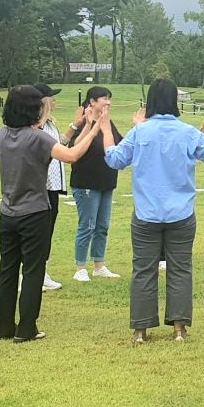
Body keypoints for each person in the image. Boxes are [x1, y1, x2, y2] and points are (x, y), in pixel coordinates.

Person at [103, 79, 204, 343]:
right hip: (181, 213)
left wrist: (105, 129)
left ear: (150, 102)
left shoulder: (140, 132)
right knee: (181, 269)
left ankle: (140, 330)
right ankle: (179, 328)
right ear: (175, 101)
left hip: (146, 213)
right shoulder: (187, 132)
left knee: (143, 270)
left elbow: (115, 159)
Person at [0, 85, 104, 343]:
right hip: (35, 212)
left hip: (8, 213)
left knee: (7, 270)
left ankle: (3, 327)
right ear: (34, 108)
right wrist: (95, 129)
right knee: (32, 271)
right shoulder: (37, 137)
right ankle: (26, 328)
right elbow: (71, 155)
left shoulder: (0, 136)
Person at [63, 86, 124, 282]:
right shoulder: (83, 121)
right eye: (104, 98)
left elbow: (119, 144)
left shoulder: (108, 122)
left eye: (109, 99)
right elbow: (74, 148)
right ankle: (80, 267)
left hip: (106, 181)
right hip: (86, 182)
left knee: (102, 225)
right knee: (87, 225)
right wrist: (89, 125)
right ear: (92, 102)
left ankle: (99, 265)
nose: (108, 102)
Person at [35, 83, 65, 291]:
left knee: (48, 230)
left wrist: (79, 126)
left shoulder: (50, 124)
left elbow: (59, 147)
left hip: (53, 185)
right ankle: (35, 273)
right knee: (40, 231)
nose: (54, 100)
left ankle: (42, 271)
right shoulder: (37, 127)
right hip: (41, 186)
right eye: (51, 97)